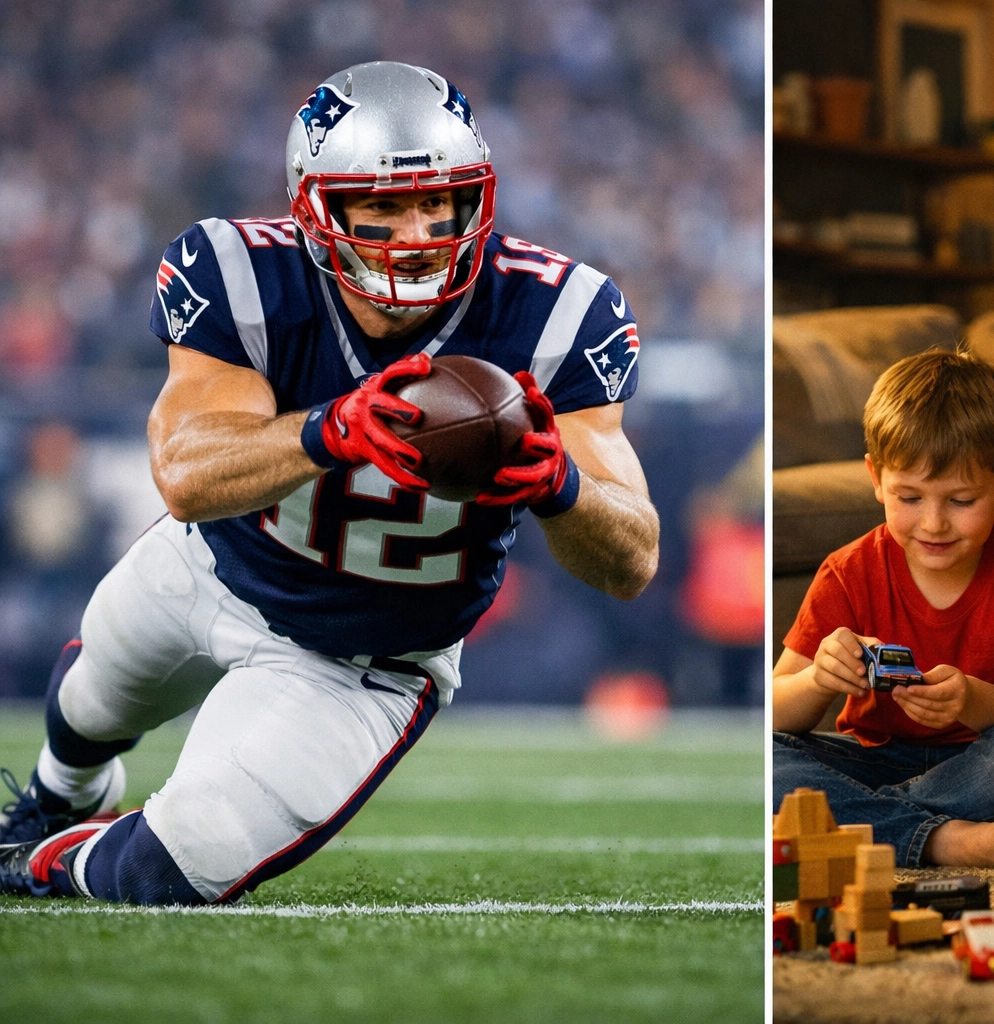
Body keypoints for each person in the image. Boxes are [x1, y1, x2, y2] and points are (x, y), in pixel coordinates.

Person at [0, 61, 659, 904]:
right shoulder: (239, 271)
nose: (417, 231)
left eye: (436, 202)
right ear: (315, 206)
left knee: (170, 872)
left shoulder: (558, 313)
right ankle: (57, 799)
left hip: (364, 658)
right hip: (216, 563)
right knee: (89, 702)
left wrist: (560, 485)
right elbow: (186, 479)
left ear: (477, 200)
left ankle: (37, 862)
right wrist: (332, 428)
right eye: (379, 206)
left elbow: (631, 561)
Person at [773, 351, 994, 875]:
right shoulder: (847, 571)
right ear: (875, 478)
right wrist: (817, 679)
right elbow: (774, 710)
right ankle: (942, 840)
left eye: (962, 500)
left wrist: (972, 699)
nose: (933, 523)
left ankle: (864, 819)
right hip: (878, 757)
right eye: (908, 496)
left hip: (993, 763)